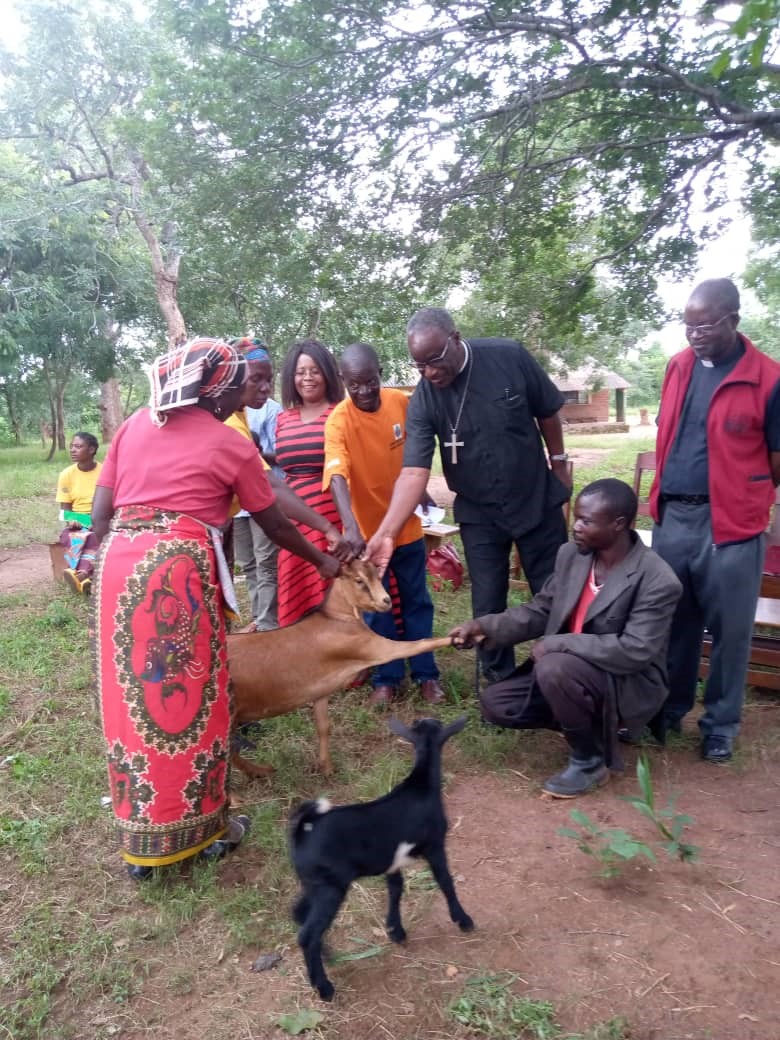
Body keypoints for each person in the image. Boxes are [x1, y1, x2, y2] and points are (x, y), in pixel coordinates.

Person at [91, 337, 342, 882]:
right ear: (215, 387)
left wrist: (96, 556)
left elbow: (103, 506)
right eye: (238, 383)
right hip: (174, 570)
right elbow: (273, 521)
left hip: (118, 569)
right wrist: (322, 561)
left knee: (135, 704)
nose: (243, 392)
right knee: (193, 703)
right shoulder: (228, 443)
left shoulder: (134, 425)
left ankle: (143, 837)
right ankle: (203, 834)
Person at [365, 307, 572, 684]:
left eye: (435, 360)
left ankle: (563, 675)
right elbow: (413, 471)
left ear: (455, 338)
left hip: (533, 497)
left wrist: (558, 463)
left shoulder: (508, 356)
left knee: (555, 589)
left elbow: (548, 411)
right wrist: (388, 533)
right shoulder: (426, 397)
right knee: (487, 599)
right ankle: (500, 684)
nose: (429, 372)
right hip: (478, 512)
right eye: (419, 365)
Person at [449, 480, 682, 797]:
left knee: (554, 667)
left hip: (626, 679)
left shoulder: (657, 578)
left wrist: (560, 644)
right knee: (497, 704)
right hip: (573, 673)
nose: (576, 527)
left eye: (586, 521)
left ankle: (589, 761)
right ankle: (589, 724)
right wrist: (484, 627)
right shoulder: (572, 555)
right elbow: (541, 609)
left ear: (619, 524)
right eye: (576, 517)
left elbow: (635, 650)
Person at [649, 278, 780, 762]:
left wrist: (742, 494)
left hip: (731, 524)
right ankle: (666, 712)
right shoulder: (678, 367)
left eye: (705, 325)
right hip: (673, 519)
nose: (695, 335)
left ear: (733, 320)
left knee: (730, 630)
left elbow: (775, 459)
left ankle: (720, 725)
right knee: (674, 623)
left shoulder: (768, 378)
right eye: (688, 325)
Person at [324, 343, 445, 705]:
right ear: (344, 381)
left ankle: (426, 674)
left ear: (380, 373)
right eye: (355, 384)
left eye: (371, 381)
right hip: (367, 539)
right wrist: (350, 524)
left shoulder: (402, 403)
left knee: (416, 601)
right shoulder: (339, 420)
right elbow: (336, 473)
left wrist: (421, 492)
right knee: (378, 608)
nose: (364, 391)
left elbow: (420, 453)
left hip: (405, 528)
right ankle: (386, 677)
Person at [275, 339, 358, 626]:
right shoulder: (282, 419)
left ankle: (343, 660)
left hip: (331, 516)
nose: (307, 378)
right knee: (296, 583)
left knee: (335, 588)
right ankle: (304, 660)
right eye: (300, 372)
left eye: (314, 371)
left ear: (327, 373)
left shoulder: (342, 413)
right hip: (294, 520)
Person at [226, 338, 282, 632]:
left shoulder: (270, 410)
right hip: (240, 504)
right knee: (248, 562)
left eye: (268, 379)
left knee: (266, 563)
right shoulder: (234, 412)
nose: (264, 387)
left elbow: (280, 455)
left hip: (263, 495)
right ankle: (260, 618)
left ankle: (268, 622)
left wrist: (257, 454)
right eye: (256, 378)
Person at [56, 431, 102, 595]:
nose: (73, 450)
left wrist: (97, 521)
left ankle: (79, 575)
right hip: (79, 521)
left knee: (95, 536)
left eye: (78, 446)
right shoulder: (66, 474)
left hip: (100, 519)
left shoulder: (105, 473)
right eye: (72, 447)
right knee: (75, 536)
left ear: (91, 450)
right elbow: (65, 510)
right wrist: (71, 521)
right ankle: (85, 576)